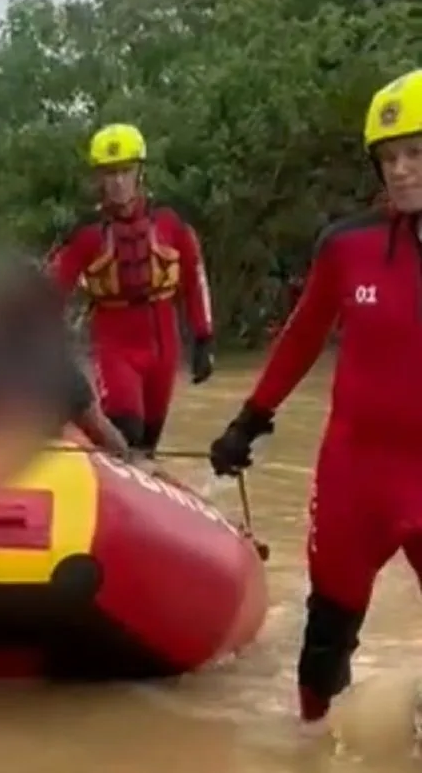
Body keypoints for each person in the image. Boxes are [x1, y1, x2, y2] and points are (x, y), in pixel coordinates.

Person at [208, 68, 422, 725]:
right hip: (353, 474)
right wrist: (249, 420)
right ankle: (308, 751)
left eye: (414, 153)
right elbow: (301, 338)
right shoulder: (346, 246)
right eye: (387, 158)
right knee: (323, 642)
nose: (400, 171)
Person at [45, 123, 215, 457]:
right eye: (109, 174)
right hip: (115, 344)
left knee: (148, 444)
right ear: (98, 180)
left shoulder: (171, 221)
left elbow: (195, 277)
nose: (118, 182)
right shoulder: (86, 234)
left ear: (140, 173)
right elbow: (50, 293)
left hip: (164, 346)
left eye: (125, 171)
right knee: (124, 432)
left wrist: (204, 337)